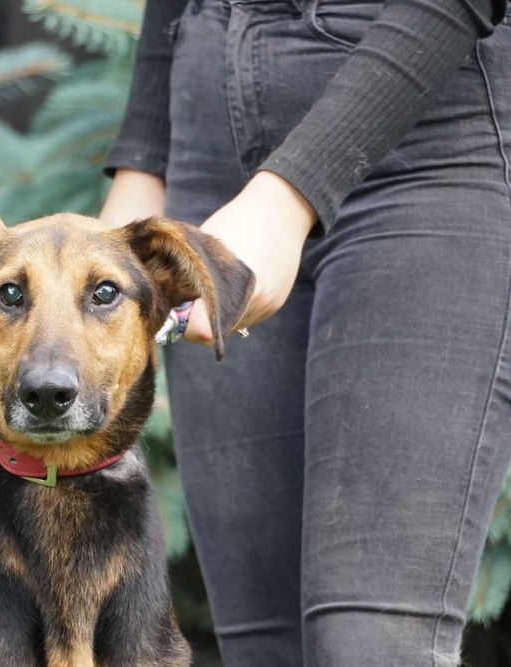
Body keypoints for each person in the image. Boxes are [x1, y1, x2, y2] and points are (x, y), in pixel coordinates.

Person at [100, 0, 511, 664]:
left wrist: (289, 194)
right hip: (208, 130)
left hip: (432, 137)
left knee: (371, 646)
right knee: (267, 648)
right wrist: (144, 164)